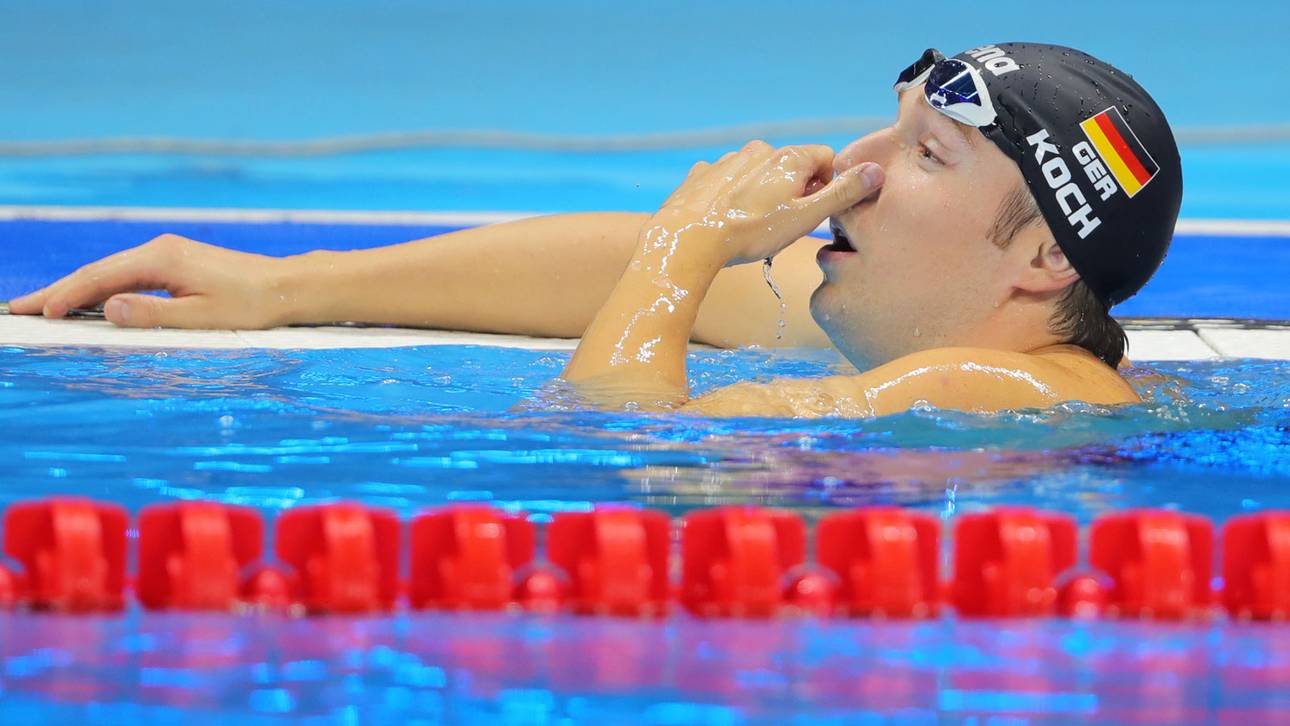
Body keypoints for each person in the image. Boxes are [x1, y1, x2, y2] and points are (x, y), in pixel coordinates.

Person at [8, 43, 1182, 418]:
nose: (856, 166)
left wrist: (683, 245)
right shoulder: (941, 328)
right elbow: (596, 270)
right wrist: (291, 286)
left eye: (926, 155)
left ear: (1040, 260)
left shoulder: (995, 387)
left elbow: (631, 446)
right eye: (890, 127)